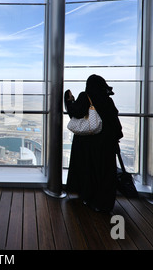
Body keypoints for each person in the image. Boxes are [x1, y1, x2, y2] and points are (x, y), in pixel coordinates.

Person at [64, 74, 123, 213]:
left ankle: (89, 198)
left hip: (89, 143)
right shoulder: (108, 101)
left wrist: (69, 101)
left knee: (89, 170)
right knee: (105, 172)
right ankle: (104, 203)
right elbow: (115, 122)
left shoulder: (85, 97)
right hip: (107, 144)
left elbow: (76, 113)